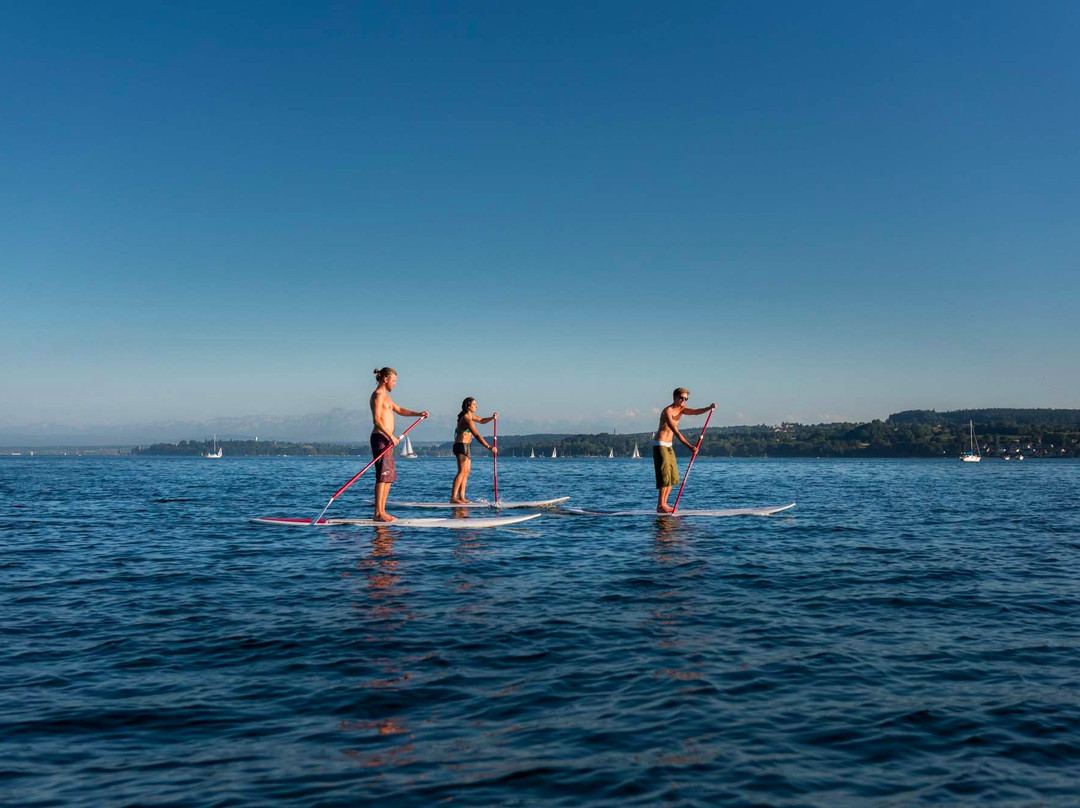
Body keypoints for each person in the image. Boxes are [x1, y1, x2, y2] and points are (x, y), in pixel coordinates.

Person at [369, 367, 428, 522]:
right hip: (381, 438)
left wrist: (418, 414)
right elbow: (376, 420)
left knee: (388, 476)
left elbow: (400, 410)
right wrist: (391, 437)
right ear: (386, 379)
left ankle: (382, 511)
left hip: (387, 440)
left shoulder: (387, 397)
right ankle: (378, 513)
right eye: (394, 381)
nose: (395, 384)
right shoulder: (378, 396)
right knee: (382, 476)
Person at [653, 388, 715, 513]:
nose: (683, 401)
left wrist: (709, 408)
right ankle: (660, 505)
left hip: (669, 446)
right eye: (681, 398)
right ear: (674, 397)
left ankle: (664, 504)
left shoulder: (682, 410)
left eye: (686, 399)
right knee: (665, 476)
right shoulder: (667, 411)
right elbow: (675, 431)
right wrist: (689, 446)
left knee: (673, 477)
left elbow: (696, 412)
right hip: (660, 445)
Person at [451, 397, 497, 503]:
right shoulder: (466, 418)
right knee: (462, 471)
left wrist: (491, 418)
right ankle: (453, 498)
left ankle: (462, 497)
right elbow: (476, 434)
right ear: (468, 406)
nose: (476, 406)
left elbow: (481, 420)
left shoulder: (471, 415)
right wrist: (489, 447)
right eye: (474, 404)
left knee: (466, 472)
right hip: (460, 445)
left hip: (467, 446)